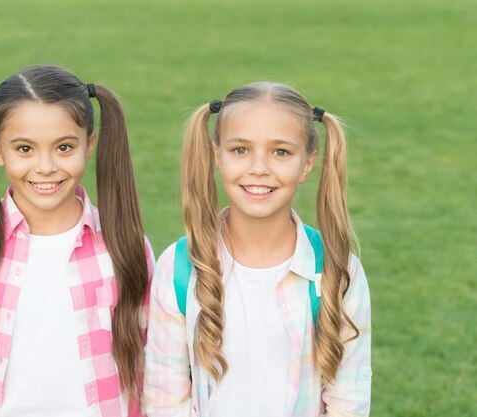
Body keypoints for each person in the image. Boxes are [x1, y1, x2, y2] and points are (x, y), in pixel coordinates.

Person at [0, 65, 154, 417]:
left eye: (63, 147)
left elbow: (149, 367)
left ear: (89, 145)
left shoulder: (125, 245)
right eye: (25, 148)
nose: (45, 166)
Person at [144, 82, 371, 417]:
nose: (259, 168)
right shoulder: (179, 267)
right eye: (240, 150)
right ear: (217, 155)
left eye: (281, 152)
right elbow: (165, 399)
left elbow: (348, 398)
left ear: (307, 164)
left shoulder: (338, 270)